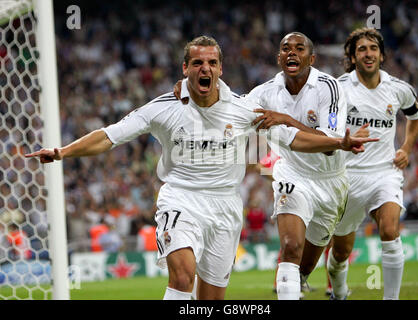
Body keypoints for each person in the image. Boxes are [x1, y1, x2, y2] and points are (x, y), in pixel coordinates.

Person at [25, 36, 376, 300]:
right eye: (196, 63)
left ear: (220, 69)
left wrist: (339, 142)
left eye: (211, 63)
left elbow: (293, 139)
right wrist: (62, 151)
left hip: (225, 206)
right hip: (180, 199)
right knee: (181, 278)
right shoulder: (164, 107)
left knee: (210, 300)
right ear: (185, 69)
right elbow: (109, 136)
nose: (204, 68)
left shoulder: (243, 110)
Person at [247, 32, 354, 300]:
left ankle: (313, 284)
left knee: (304, 269)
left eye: (299, 48)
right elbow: (228, 107)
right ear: (279, 57)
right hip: (292, 174)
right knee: (290, 247)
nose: (291, 52)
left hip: (331, 181)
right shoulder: (264, 93)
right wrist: (189, 90)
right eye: (285, 48)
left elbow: (330, 143)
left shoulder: (329, 87)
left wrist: (284, 119)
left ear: (312, 58)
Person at [327, 28, 418, 300]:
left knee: (390, 231)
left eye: (373, 48)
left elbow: (417, 115)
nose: (368, 53)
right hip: (347, 177)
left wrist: (405, 147)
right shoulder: (339, 89)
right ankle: (340, 291)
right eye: (361, 49)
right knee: (340, 252)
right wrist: (341, 140)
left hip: (384, 173)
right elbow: (325, 129)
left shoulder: (398, 89)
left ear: (382, 55)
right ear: (353, 56)